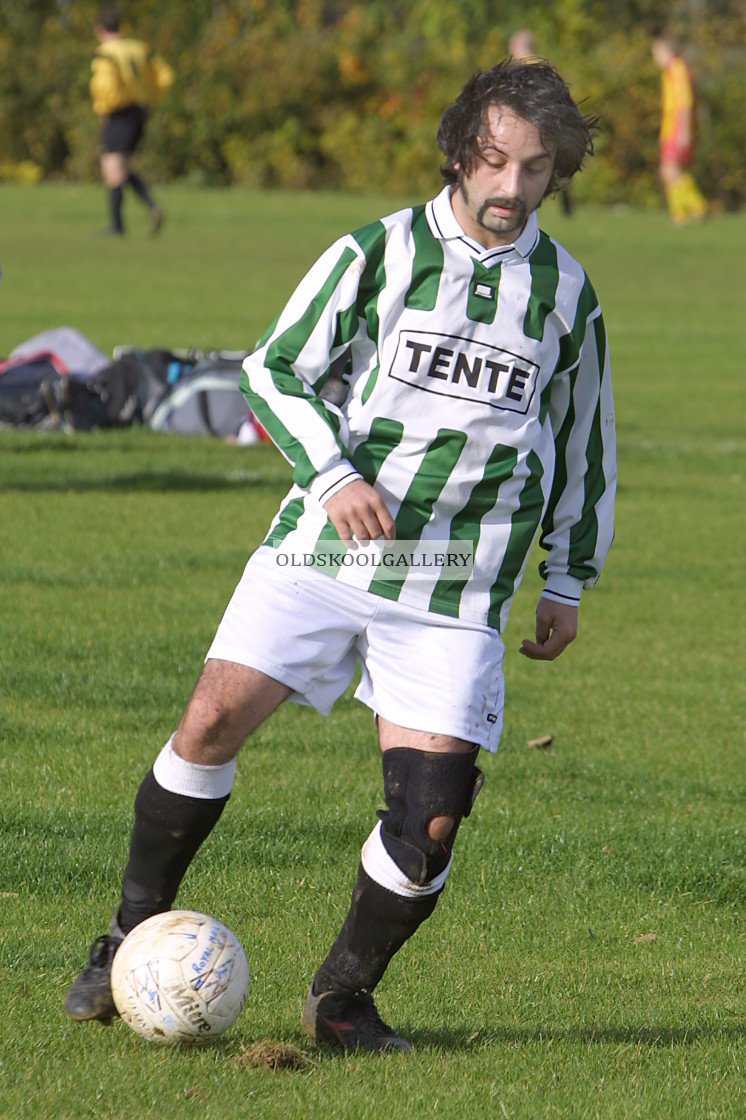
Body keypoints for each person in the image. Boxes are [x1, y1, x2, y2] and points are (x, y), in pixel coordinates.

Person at [64, 59, 616, 1052]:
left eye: (532, 169)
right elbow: (275, 369)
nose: (507, 187)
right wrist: (331, 475)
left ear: (553, 174)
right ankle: (125, 932)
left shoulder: (565, 295)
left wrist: (566, 576)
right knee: (207, 720)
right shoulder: (379, 251)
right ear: (457, 153)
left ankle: (342, 999)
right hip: (323, 549)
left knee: (432, 816)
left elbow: (581, 440)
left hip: (456, 578)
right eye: (491, 162)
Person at [90, 5, 173, 236]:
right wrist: (150, 98)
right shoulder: (140, 48)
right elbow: (165, 77)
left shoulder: (106, 52)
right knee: (120, 168)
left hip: (118, 112)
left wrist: (104, 109)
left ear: (99, 29)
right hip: (139, 110)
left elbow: (105, 86)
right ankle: (147, 208)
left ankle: (119, 225)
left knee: (113, 168)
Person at [651, 34, 708, 225]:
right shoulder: (669, 71)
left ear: (667, 51)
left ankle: (695, 207)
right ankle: (682, 214)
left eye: (656, 53)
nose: (655, 58)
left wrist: (683, 130)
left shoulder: (677, 70)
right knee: (670, 171)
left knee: (669, 170)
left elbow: (684, 104)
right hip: (671, 128)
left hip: (677, 128)